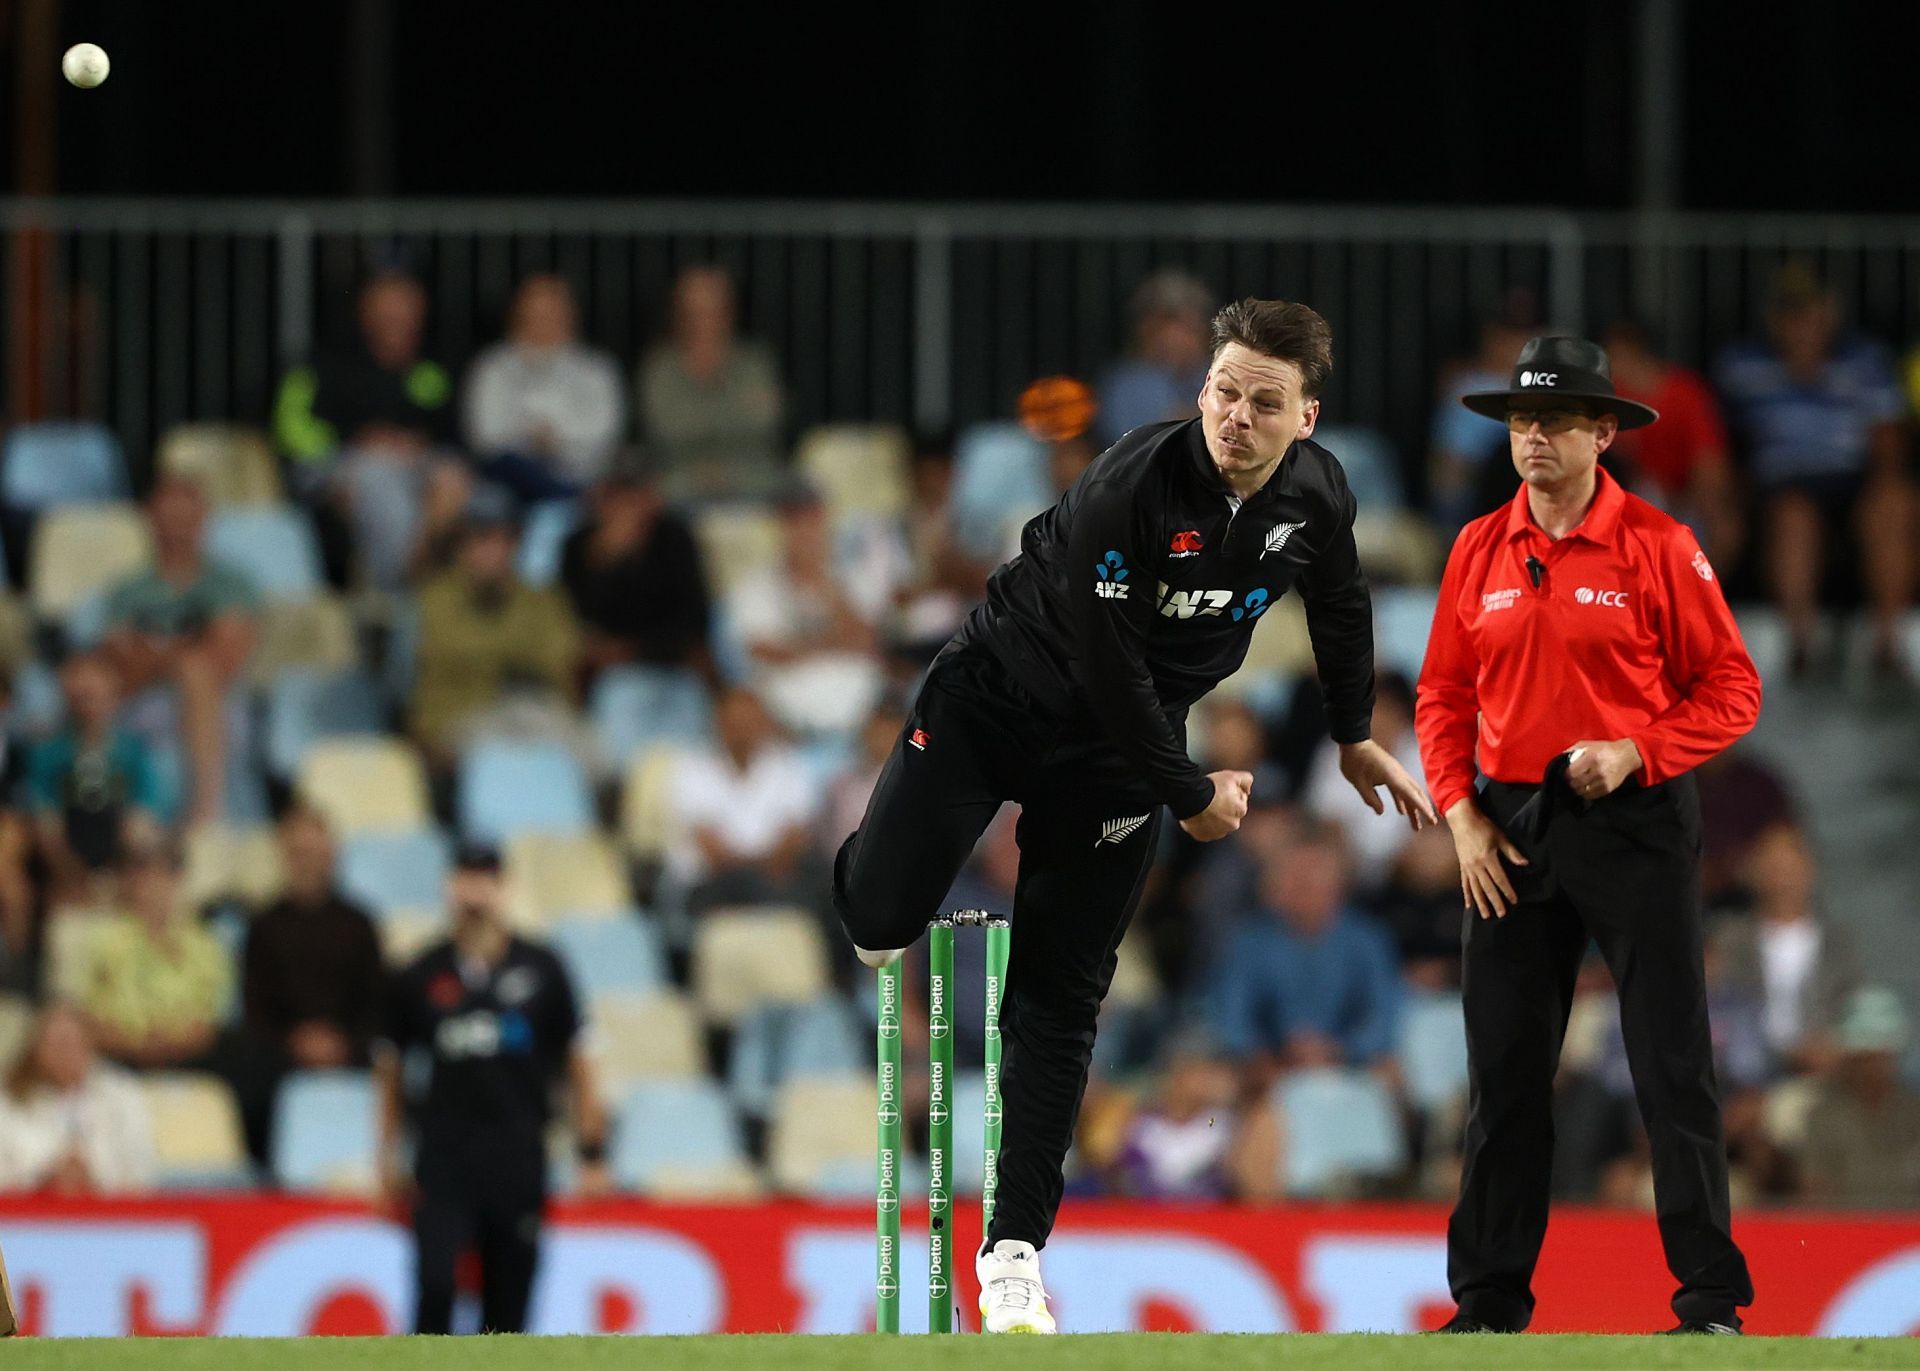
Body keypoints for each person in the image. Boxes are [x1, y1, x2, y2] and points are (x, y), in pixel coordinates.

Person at [832, 298, 1433, 1333]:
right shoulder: (1132, 485)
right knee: (882, 923)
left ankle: (1013, 1253)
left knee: (1061, 1000)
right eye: (1223, 391)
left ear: (1307, 418)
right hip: (994, 705)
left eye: (1263, 401)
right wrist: (1191, 793)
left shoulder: (1319, 497)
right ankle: (878, 885)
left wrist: (1350, 731)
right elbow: (1114, 672)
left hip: (1113, 759)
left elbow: (1339, 604)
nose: (1236, 415)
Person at [1416, 334, 1761, 1334]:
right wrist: (1462, 817)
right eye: (1523, 420)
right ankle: (1486, 1306)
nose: (1535, 438)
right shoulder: (1477, 545)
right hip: (1510, 825)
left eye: (1558, 420)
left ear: (1605, 433)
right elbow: (1441, 698)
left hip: (1635, 823)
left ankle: (1709, 1303)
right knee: (1506, 1077)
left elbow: (1735, 686)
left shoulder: (1659, 542)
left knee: (1670, 1065)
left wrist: (1639, 753)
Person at [377, 844, 607, 1336]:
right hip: (444, 1159)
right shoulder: (421, 972)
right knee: (435, 1288)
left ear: (504, 889)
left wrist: (591, 1149)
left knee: (507, 1308)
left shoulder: (543, 968)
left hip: (517, 1157)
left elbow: (579, 1058)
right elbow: (391, 1065)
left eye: (485, 879)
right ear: (448, 887)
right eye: (465, 878)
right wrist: (386, 1153)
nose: (474, 893)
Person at [1715, 261, 1913, 676]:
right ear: (1772, 318)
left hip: (1853, 477)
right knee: (1794, 516)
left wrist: (1884, 481)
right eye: (1789, 312)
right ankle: (1802, 650)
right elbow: (1724, 442)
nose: (1799, 323)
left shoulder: (1866, 360)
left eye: (1809, 311)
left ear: (1829, 313)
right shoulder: (1742, 366)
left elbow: (1888, 439)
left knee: (1895, 503)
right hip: (1782, 482)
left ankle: (1888, 647)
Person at [272, 271, 462, 590]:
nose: (398, 319)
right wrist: (356, 442)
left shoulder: (431, 368)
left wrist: (416, 444)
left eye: (407, 310)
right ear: (366, 311)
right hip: (334, 465)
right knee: (378, 478)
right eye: (388, 310)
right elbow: (290, 432)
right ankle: (401, 586)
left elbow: (452, 434)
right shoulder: (323, 364)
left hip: (411, 464)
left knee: (453, 478)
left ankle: (418, 571)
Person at [99, 475, 260, 824]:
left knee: (196, 674)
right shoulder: (127, 591)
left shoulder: (231, 583)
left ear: (202, 519)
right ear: (150, 520)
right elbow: (120, 668)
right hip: (141, 701)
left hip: (216, 701)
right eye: (167, 520)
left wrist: (155, 649)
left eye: (184, 520)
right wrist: (185, 648)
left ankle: (205, 810)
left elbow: (226, 659)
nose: (175, 530)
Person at [1208, 821, 1403, 1091]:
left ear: (1339, 881)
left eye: (1315, 873)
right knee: (1209, 1080)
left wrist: (1338, 1050)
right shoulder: (1249, 940)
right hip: (1268, 1065)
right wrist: (1262, 1055)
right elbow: (1231, 1013)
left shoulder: (1367, 939)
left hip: (1346, 1062)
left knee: (1391, 1073)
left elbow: (1384, 1013)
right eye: (1294, 873)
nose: (1304, 884)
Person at [242, 805, 385, 1167]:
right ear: (284, 857)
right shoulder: (264, 926)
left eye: (315, 853)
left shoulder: (360, 925)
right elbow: (256, 1007)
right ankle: (267, 1173)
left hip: (352, 1053)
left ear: (332, 856)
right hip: (282, 1056)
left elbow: (376, 1004)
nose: (307, 863)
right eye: (298, 854)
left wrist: (344, 1045)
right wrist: (296, 1042)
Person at [411, 496, 582, 770]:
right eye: (479, 539)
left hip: (531, 710)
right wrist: (513, 657)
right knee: (500, 747)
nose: (490, 550)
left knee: (588, 748)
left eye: (502, 539)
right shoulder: (434, 597)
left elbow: (559, 661)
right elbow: (448, 651)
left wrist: (494, 658)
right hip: (456, 717)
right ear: (461, 546)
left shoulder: (542, 599)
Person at [1706, 824, 1860, 1079]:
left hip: (1823, 1068)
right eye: (1773, 868)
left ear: (1810, 869)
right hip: (1746, 1071)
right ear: (1752, 872)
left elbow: (1855, 1007)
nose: (1783, 878)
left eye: (1790, 867)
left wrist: (1831, 1047)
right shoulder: (1727, 939)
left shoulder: (1838, 942)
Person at [23, 652, 168, 908]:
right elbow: (45, 823)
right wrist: (73, 875)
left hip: (120, 858)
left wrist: (123, 870)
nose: (88, 707)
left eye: (95, 696)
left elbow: (145, 815)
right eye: (81, 698)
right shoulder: (48, 754)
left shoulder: (133, 752)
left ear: (114, 695)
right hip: (70, 859)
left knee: (142, 834)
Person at [462, 274, 627, 499]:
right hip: (505, 483)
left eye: (552, 313)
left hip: (582, 480)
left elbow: (605, 434)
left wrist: (554, 438)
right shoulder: (493, 366)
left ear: (570, 315)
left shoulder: (597, 370)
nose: (543, 321)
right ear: (517, 314)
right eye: (535, 313)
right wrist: (531, 439)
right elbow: (485, 436)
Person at [557, 452, 712, 683]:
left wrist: (633, 651)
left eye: (635, 494)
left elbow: (695, 620)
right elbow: (573, 617)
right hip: (603, 669)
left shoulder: (675, 538)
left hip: (669, 662)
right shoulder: (577, 545)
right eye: (617, 495)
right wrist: (604, 561)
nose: (627, 506)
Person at [637, 265, 786, 500]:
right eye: (694, 312)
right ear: (677, 314)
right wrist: (734, 413)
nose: (704, 321)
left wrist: (698, 420)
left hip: (752, 481)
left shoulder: (755, 363)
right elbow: (668, 431)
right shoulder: (659, 367)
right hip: (680, 482)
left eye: (713, 311)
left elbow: (764, 424)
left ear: (729, 312)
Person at [80, 841, 231, 1071]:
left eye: (164, 877)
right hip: (116, 1064)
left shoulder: (205, 945)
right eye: (146, 878)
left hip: (189, 1065)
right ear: (133, 883)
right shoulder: (104, 941)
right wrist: (139, 1044)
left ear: (179, 882)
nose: (155, 888)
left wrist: (169, 1044)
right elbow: (89, 1019)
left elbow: (212, 1024)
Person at [1601, 320, 1741, 569]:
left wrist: (1699, 503)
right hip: (1627, 498)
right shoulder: (1611, 396)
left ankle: (1695, 598)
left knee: (1721, 525)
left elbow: (1710, 464)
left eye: (1620, 357)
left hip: (1684, 500)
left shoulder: (1684, 392)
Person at [0, 1003, 156, 1194]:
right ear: (35, 1050)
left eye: (70, 1043)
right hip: (31, 1215)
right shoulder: (9, 1100)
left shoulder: (121, 1094)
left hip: (109, 1214)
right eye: (54, 1044)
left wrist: (94, 1174)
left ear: (89, 1044)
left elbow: (141, 1170)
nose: (64, 1053)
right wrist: (46, 1176)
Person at [1798, 987, 1920, 1209]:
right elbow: (1815, 1194)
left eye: (1882, 1055)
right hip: (1848, 1232)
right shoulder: (1823, 1117)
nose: (1874, 1066)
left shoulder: (1914, 1114)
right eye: (1866, 1057)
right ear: (1850, 1058)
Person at [1095, 272, 1214, 445]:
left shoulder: (1224, 372)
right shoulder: (1124, 383)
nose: (1180, 334)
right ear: (1146, 329)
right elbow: (1128, 443)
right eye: (1171, 319)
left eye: (1192, 322)